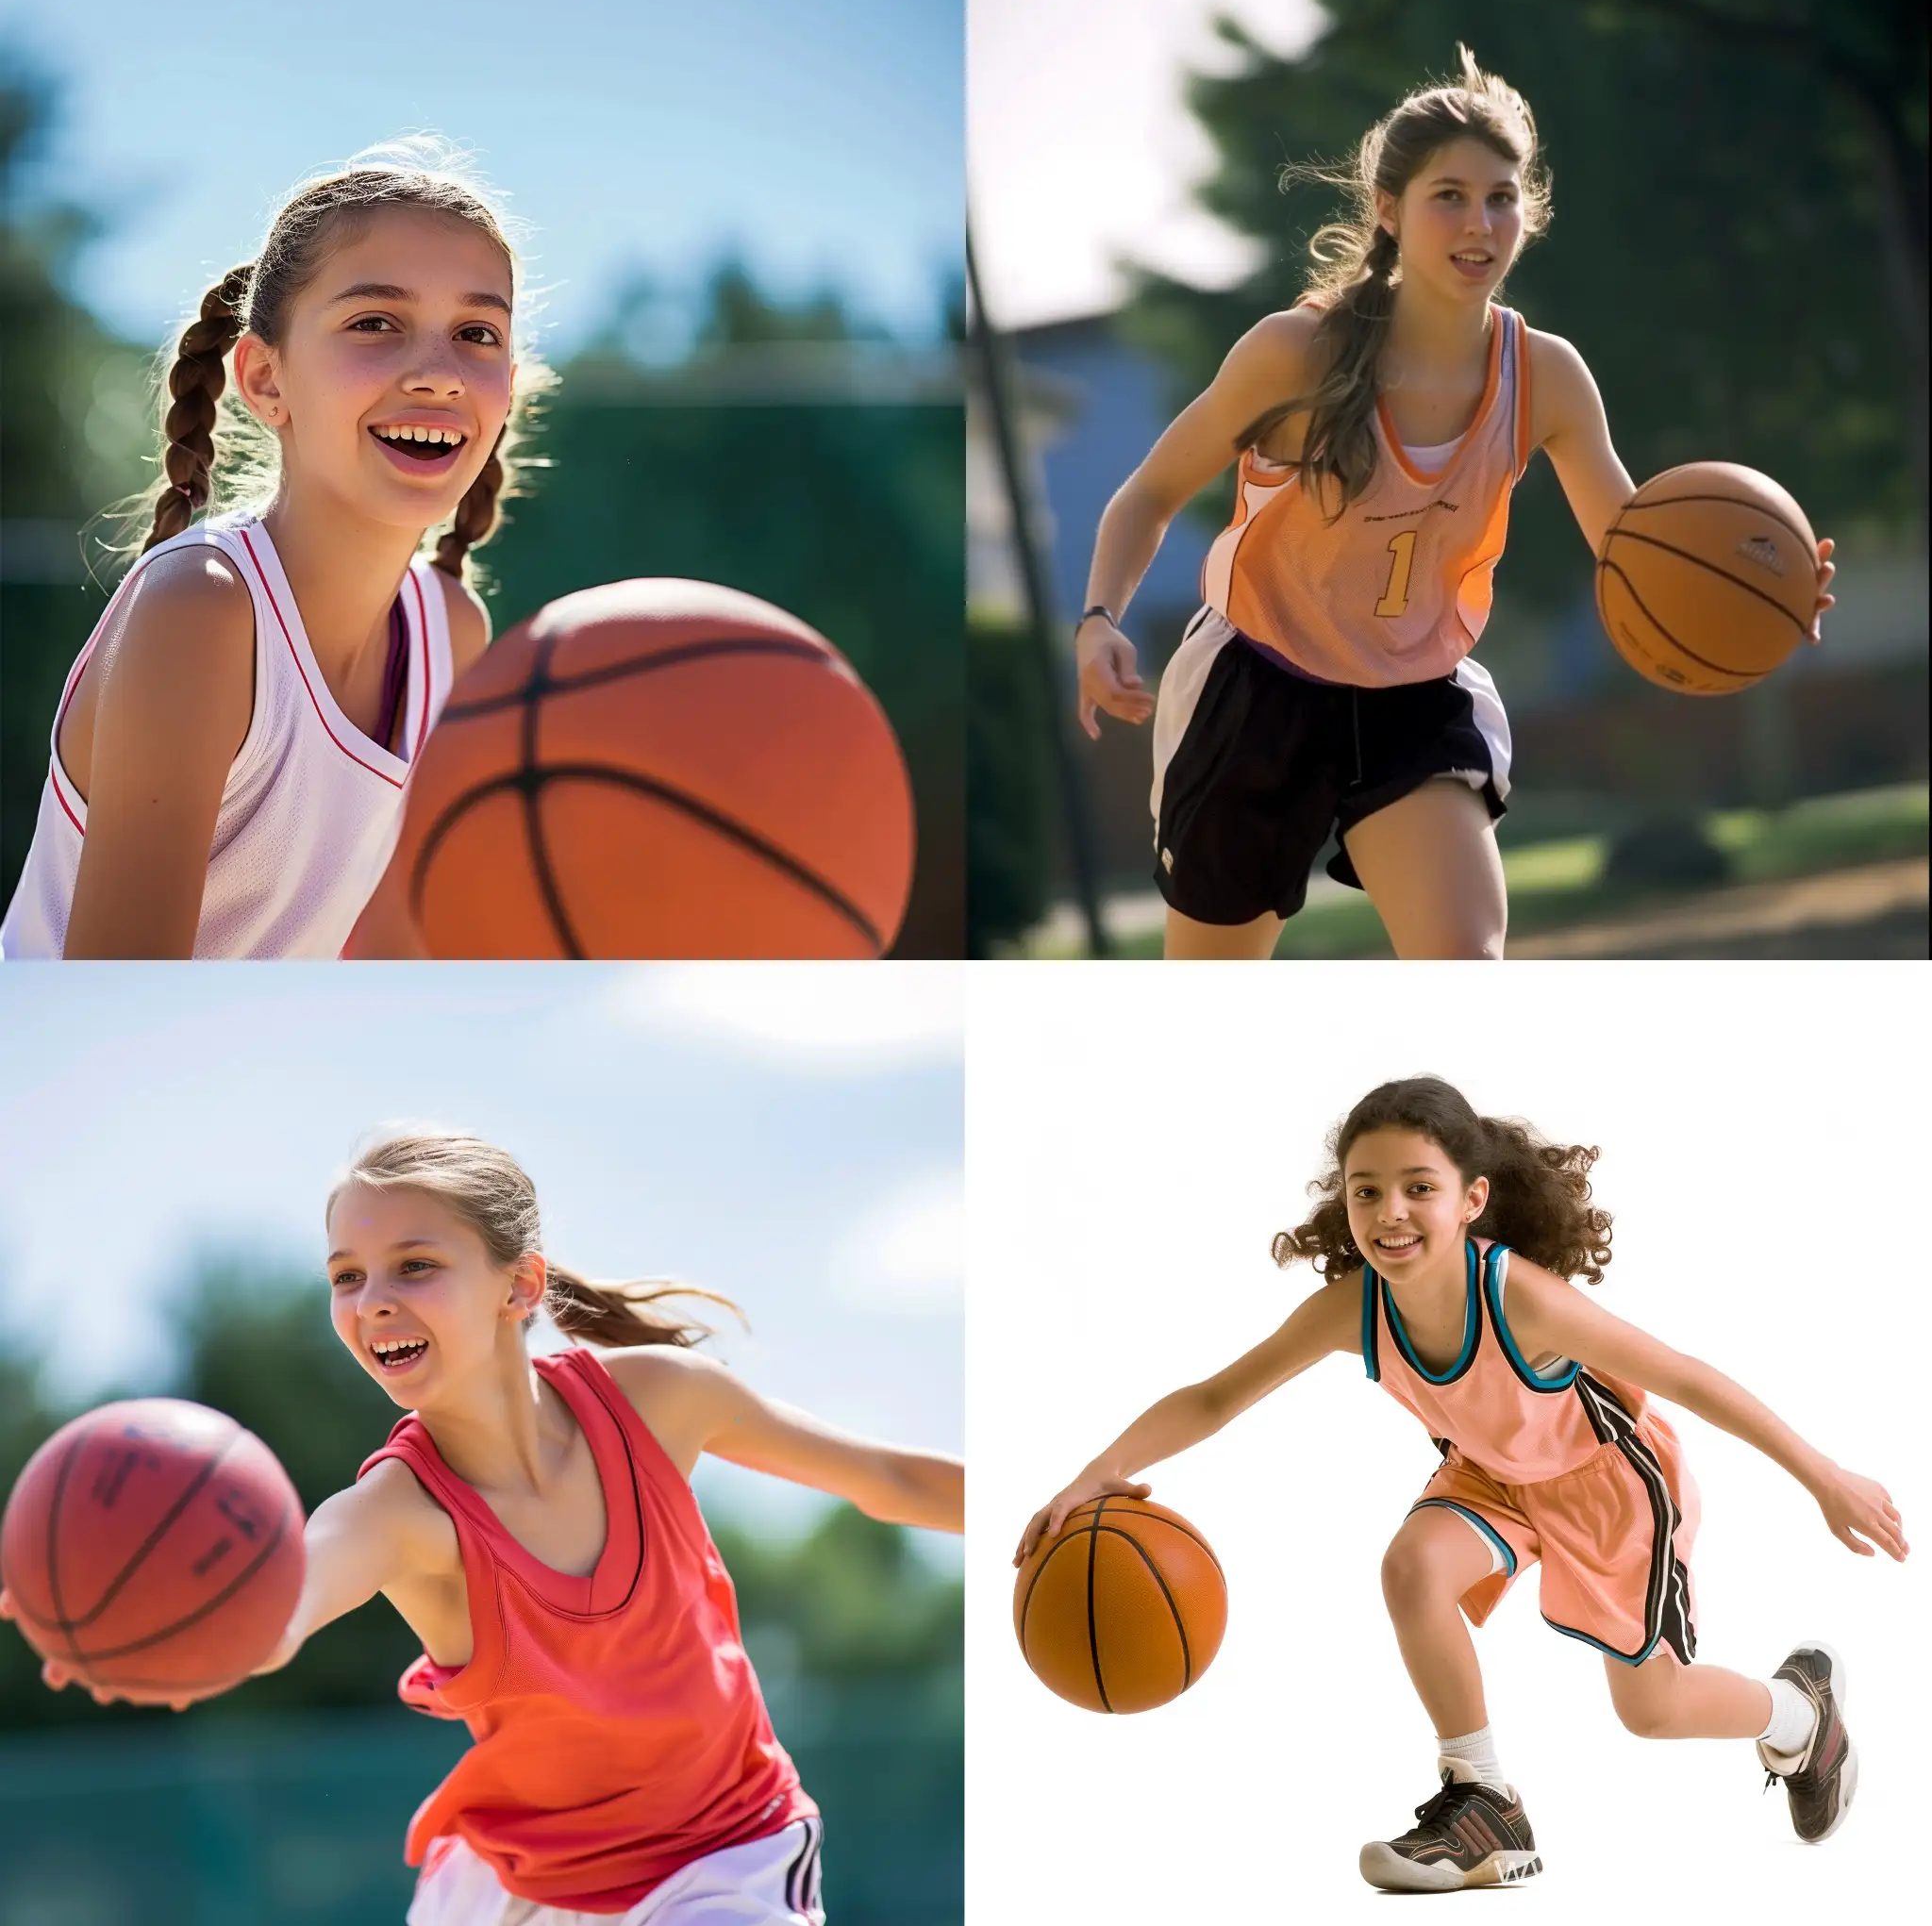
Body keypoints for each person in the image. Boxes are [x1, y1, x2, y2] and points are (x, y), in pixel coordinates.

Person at [6, 1132, 964, 1924]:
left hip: (721, 1856)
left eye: (414, 1265)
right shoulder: (398, 1514)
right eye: (346, 1275)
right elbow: (281, 1604)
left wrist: (1046, 1503)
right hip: (517, 1882)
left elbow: (884, 1476)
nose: (371, 1297)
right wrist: (150, 1632)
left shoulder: (659, 1400)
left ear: (519, 1285)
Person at [1016, 1076, 1904, 1892]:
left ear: (1472, 1199)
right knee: (1412, 1570)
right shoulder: (1352, 1307)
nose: (1389, 1212)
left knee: (1654, 1711)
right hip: (1490, 1478)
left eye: (1418, 1187)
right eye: (1366, 1190)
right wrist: (1096, 1476)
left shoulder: (1521, 1299)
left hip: (1608, 1487)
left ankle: (1800, 1717)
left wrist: (1824, 1477)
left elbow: (1687, 1376)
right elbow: (1214, 1398)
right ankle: (1484, 1801)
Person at [1070, 48, 1836, 959]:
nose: (1481, 223)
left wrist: (1763, 591)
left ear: (1528, 212)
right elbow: (1149, 492)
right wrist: (1098, 618)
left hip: (1413, 696)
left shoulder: (1545, 376)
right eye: (1451, 196)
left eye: (1502, 197)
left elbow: (1636, 553)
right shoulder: (1294, 356)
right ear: (1389, 211)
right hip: (1257, 687)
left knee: (1464, 966)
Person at [0, 138, 549, 959]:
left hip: (260, 1084)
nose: (440, 373)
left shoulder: (451, 634)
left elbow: (398, 966)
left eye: (477, 332)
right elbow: (118, 1010)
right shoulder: (203, 608)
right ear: (265, 380)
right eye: (375, 322)